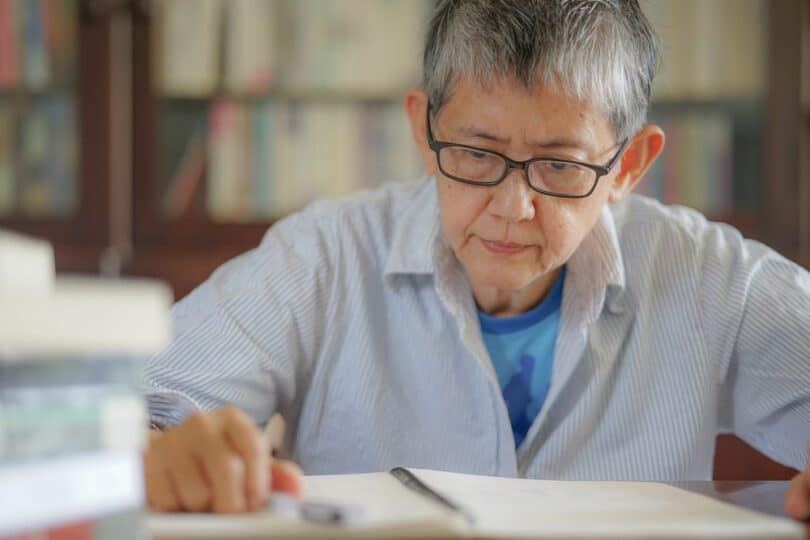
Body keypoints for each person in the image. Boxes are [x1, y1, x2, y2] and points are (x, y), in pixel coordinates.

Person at [143, 0, 810, 519]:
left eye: (558, 165)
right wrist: (153, 452)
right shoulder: (324, 258)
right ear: (423, 130)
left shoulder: (710, 279)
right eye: (477, 154)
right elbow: (111, 410)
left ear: (628, 166)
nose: (513, 206)